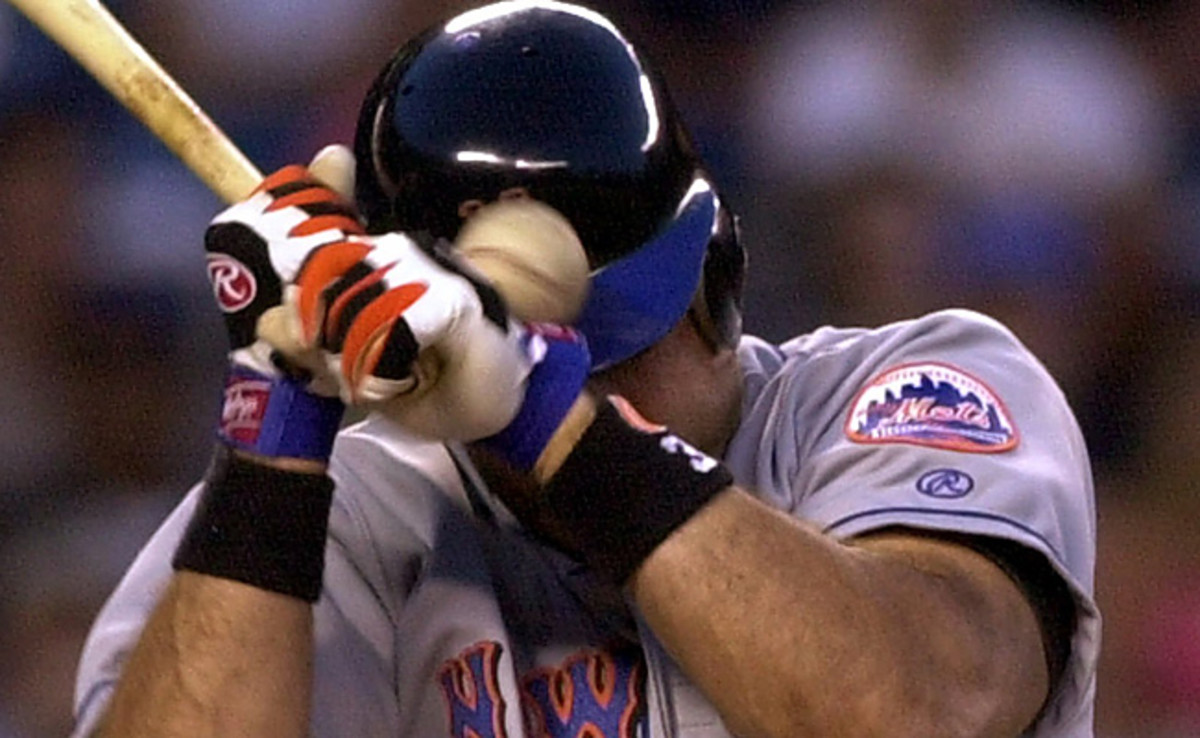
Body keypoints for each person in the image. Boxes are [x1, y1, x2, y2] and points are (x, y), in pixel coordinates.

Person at [71, 1, 1097, 736]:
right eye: (559, 360)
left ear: (715, 276)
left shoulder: (906, 391)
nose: (592, 382)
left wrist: (559, 427)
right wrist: (271, 452)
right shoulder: (366, 508)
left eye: (617, 347)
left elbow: (916, 713)